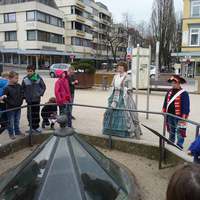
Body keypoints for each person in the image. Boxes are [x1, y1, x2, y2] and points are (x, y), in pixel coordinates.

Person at [103, 61, 141, 138]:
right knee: (111, 111)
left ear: (124, 68)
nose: (119, 68)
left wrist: (123, 89)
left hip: (123, 98)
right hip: (114, 96)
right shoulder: (115, 76)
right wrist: (113, 88)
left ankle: (125, 132)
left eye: (121, 67)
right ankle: (111, 131)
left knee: (125, 114)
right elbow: (112, 85)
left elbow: (130, 89)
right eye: (118, 67)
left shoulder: (127, 77)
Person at [162, 75, 190, 149]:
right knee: (171, 130)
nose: (173, 84)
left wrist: (184, 116)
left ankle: (179, 145)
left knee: (180, 131)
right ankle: (171, 142)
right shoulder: (169, 91)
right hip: (170, 115)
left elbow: (186, 106)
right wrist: (164, 110)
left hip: (179, 116)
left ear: (179, 83)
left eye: (175, 83)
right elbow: (165, 102)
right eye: (172, 83)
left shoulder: (184, 93)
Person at [22, 65, 46, 133]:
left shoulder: (38, 78)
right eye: (28, 71)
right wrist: (25, 96)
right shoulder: (25, 79)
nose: (29, 73)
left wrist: (39, 94)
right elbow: (22, 88)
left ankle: (36, 127)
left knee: (36, 113)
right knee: (29, 114)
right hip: (29, 100)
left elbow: (43, 87)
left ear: (34, 71)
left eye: (31, 71)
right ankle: (31, 127)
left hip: (36, 99)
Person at [3, 71, 24, 140]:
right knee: (11, 122)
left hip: (18, 107)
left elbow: (22, 94)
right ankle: (11, 133)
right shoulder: (7, 88)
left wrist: (21, 101)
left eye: (17, 78)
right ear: (10, 78)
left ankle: (17, 131)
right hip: (10, 108)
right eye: (16, 78)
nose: (17, 79)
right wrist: (11, 103)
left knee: (17, 120)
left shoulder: (19, 86)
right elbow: (4, 98)